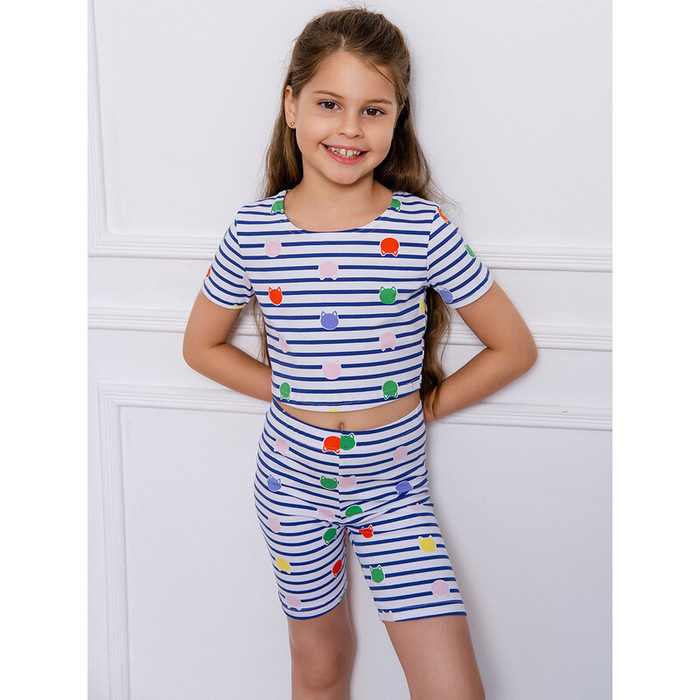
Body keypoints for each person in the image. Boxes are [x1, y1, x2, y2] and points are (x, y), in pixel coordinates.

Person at [183, 7, 537, 699]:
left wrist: (419, 407)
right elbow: (202, 347)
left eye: (373, 110)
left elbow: (512, 348)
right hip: (291, 487)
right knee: (320, 667)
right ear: (291, 106)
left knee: (452, 689)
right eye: (328, 104)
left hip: (395, 492)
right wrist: (296, 392)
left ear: (397, 120)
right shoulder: (254, 231)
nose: (349, 128)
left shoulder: (422, 228)